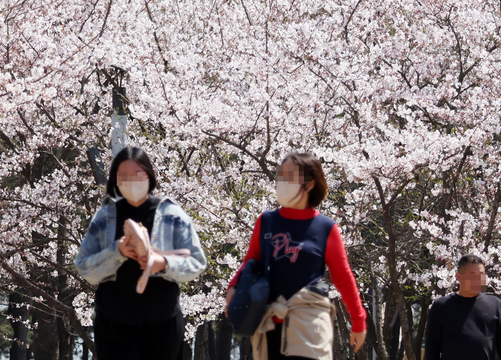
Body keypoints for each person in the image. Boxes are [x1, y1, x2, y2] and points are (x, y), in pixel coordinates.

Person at [224, 152, 367, 360]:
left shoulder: (326, 228)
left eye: (289, 176)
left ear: (309, 184)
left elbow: (343, 276)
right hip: (269, 321)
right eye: (280, 176)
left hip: (309, 325)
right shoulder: (266, 221)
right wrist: (233, 287)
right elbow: (250, 261)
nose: (282, 182)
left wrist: (359, 319)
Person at [75, 147, 207, 360]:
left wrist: (163, 262)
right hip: (113, 324)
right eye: (124, 176)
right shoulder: (105, 217)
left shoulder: (172, 214)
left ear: (149, 175)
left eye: (138, 174)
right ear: (115, 180)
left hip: (163, 322)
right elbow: (84, 266)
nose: (132, 181)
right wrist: (116, 251)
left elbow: (197, 262)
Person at [425, 254, 501, 360]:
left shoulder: (495, 305)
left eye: (481, 274)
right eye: (473, 275)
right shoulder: (441, 306)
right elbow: (431, 350)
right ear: (459, 277)